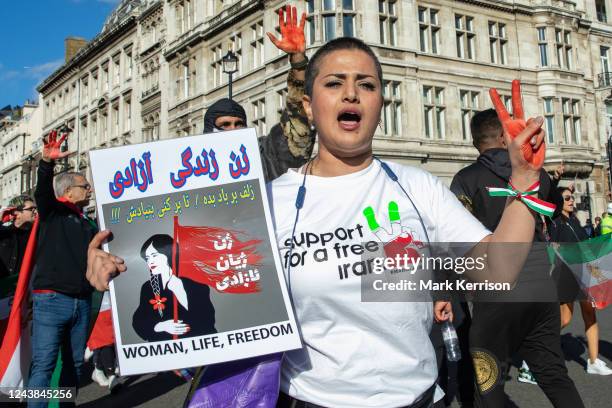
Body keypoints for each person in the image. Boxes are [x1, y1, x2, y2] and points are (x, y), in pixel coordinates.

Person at [87, 37, 555, 408]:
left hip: (415, 399)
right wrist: (116, 268)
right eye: (334, 83)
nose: (352, 92)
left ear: (379, 104)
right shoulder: (267, 202)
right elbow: (196, 283)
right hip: (304, 400)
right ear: (309, 107)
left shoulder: (418, 187)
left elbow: (499, 269)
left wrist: (526, 178)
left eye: (366, 84)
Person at [450, 109, 582, 408]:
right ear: (504, 136)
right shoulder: (537, 174)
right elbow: (552, 212)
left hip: (495, 290)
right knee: (553, 374)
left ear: (475, 142)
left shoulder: (465, 178)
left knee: (489, 381)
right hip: (539, 284)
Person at [203, 5, 314, 183]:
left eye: (238, 124)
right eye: (225, 125)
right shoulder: (193, 165)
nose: (233, 130)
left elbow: (296, 131)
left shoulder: (265, 156)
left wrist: (298, 63)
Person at [27, 130, 97, 408]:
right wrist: (46, 162)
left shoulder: (86, 222)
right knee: (43, 365)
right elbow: (42, 192)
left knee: (75, 365)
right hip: (52, 300)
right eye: (84, 186)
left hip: (80, 301)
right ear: (68, 192)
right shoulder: (53, 212)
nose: (89, 189)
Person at [550, 187, 612, 376]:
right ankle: (536, 351)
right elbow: (555, 247)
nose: (571, 200)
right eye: (567, 198)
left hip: (584, 274)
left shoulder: (575, 221)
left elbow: (586, 246)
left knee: (589, 314)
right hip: (566, 276)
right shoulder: (555, 223)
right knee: (565, 319)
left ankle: (593, 361)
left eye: (572, 197)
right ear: (558, 202)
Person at [132, 234, 216, 342]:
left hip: (201, 346)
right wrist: (160, 326)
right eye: (147, 258)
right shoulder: (148, 288)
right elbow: (139, 321)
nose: (150, 261)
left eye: (154, 255)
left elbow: (208, 320)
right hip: (167, 349)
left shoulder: (197, 286)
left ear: (169, 254)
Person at [0, 195, 37, 279]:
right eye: (31, 209)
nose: (35, 211)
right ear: (17, 213)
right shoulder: (4, 232)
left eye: (36, 208)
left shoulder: (37, 234)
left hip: (24, 287)